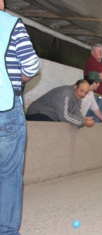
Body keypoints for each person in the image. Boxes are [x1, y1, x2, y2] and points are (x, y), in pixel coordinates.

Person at [0, 3, 39, 234]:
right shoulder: (11, 24)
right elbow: (32, 65)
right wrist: (20, 79)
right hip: (5, 109)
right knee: (8, 174)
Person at [26, 80, 95, 128]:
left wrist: (84, 119)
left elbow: (76, 114)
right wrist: (82, 122)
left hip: (49, 117)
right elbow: (64, 117)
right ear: (75, 87)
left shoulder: (78, 99)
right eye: (81, 90)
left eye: (85, 93)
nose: (83, 94)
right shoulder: (64, 95)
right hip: (36, 114)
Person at [83, 44, 102, 123]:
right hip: (94, 95)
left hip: (99, 97)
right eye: (98, 51)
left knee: (98, 121)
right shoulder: (92, 61)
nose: (101, 52)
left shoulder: (101, 64)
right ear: (92, 52)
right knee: (94, 121)